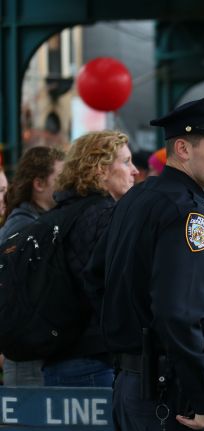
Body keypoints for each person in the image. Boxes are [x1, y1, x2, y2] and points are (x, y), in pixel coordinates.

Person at [96, 94, 204, 430]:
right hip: (171, 393)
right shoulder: (187, 213)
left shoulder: (137, 198)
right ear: (183, 149)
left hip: (133, 384)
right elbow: (179, 313)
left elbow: (96, 278)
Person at [44, 131, 138, 388]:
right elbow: (117, 288)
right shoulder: (107, 214)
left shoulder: (60, 212)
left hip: (60, 355)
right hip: (96, 359)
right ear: (100, 169)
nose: (135, 171)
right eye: (126, 162)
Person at [0, 146, 65, 386]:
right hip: (28, 360)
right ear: (39, 184)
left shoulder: (34, 223)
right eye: (61, 177)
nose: (67, 184)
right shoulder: (24, 230)